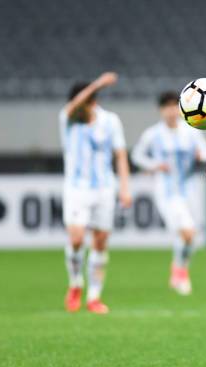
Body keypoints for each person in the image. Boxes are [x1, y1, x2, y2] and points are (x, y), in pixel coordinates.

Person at [60, 72, 132, 314]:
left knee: (100, 241)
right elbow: (72, 108)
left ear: (94, 103)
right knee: (77, 238)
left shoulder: (110, 121)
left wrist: (124, 187)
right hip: (76, 188)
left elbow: (120, 154)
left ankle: (94, 296)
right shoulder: (68, 119)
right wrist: (99, 83)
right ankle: (75, 284)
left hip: (104, 188)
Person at [132, 91, 206, 295]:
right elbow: (137, 155)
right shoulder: (153, 134)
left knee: (189, 236)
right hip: (167, 192)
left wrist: (200, 155)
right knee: (187, 232)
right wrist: (154, 165)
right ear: (161, 110)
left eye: (174, 106)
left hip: (190, 190)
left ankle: (178, 271)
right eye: (166, 107)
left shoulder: (191, 132)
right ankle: (180, 272)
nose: (170, 111)